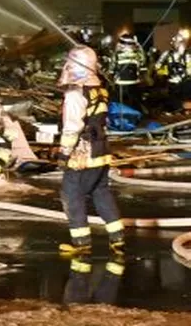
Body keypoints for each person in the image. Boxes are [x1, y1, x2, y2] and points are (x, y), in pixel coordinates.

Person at [56, 45, 125, 257]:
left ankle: (81, 243)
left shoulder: (76, 93)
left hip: (82, 153)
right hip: (101, 149)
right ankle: (117, 239)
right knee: (100, 192)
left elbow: (73, 126)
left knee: (71, 194)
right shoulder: (99, 88)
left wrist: (63, 152)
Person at [112, 33, 144, 107]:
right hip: (132, 83)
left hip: (122, 84)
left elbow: (112, 68)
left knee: (122, 105)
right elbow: (143, 63)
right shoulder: (138, 54)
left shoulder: (116, 54)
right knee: (133, 104)